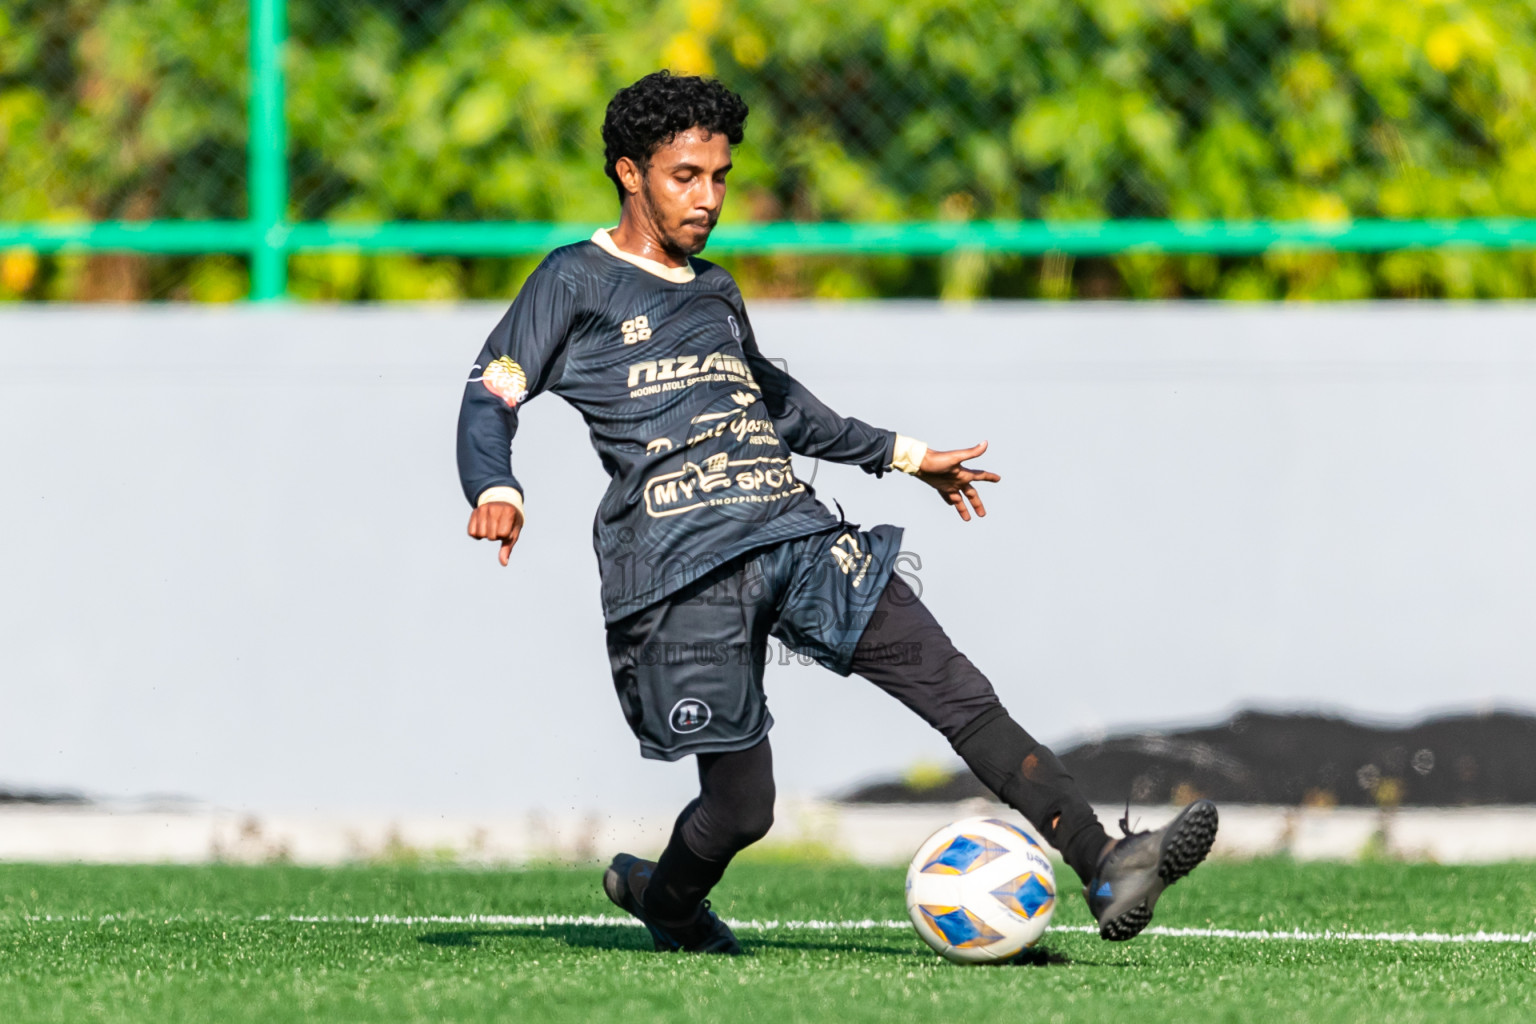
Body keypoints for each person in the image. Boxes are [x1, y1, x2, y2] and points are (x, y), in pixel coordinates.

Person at [457, 71, 1217, 955]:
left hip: (795, 534)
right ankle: (665, 901)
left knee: (956, 690)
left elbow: (777, 403)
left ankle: (1105, 860)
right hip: (678, 569)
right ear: (630, 173)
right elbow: (492, 391)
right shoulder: (573, 281)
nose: (708, 199)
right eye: (685, 177)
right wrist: (496, 487)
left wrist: (902, 455)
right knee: (744, 809)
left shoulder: (713, 290)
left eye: (721, 178)